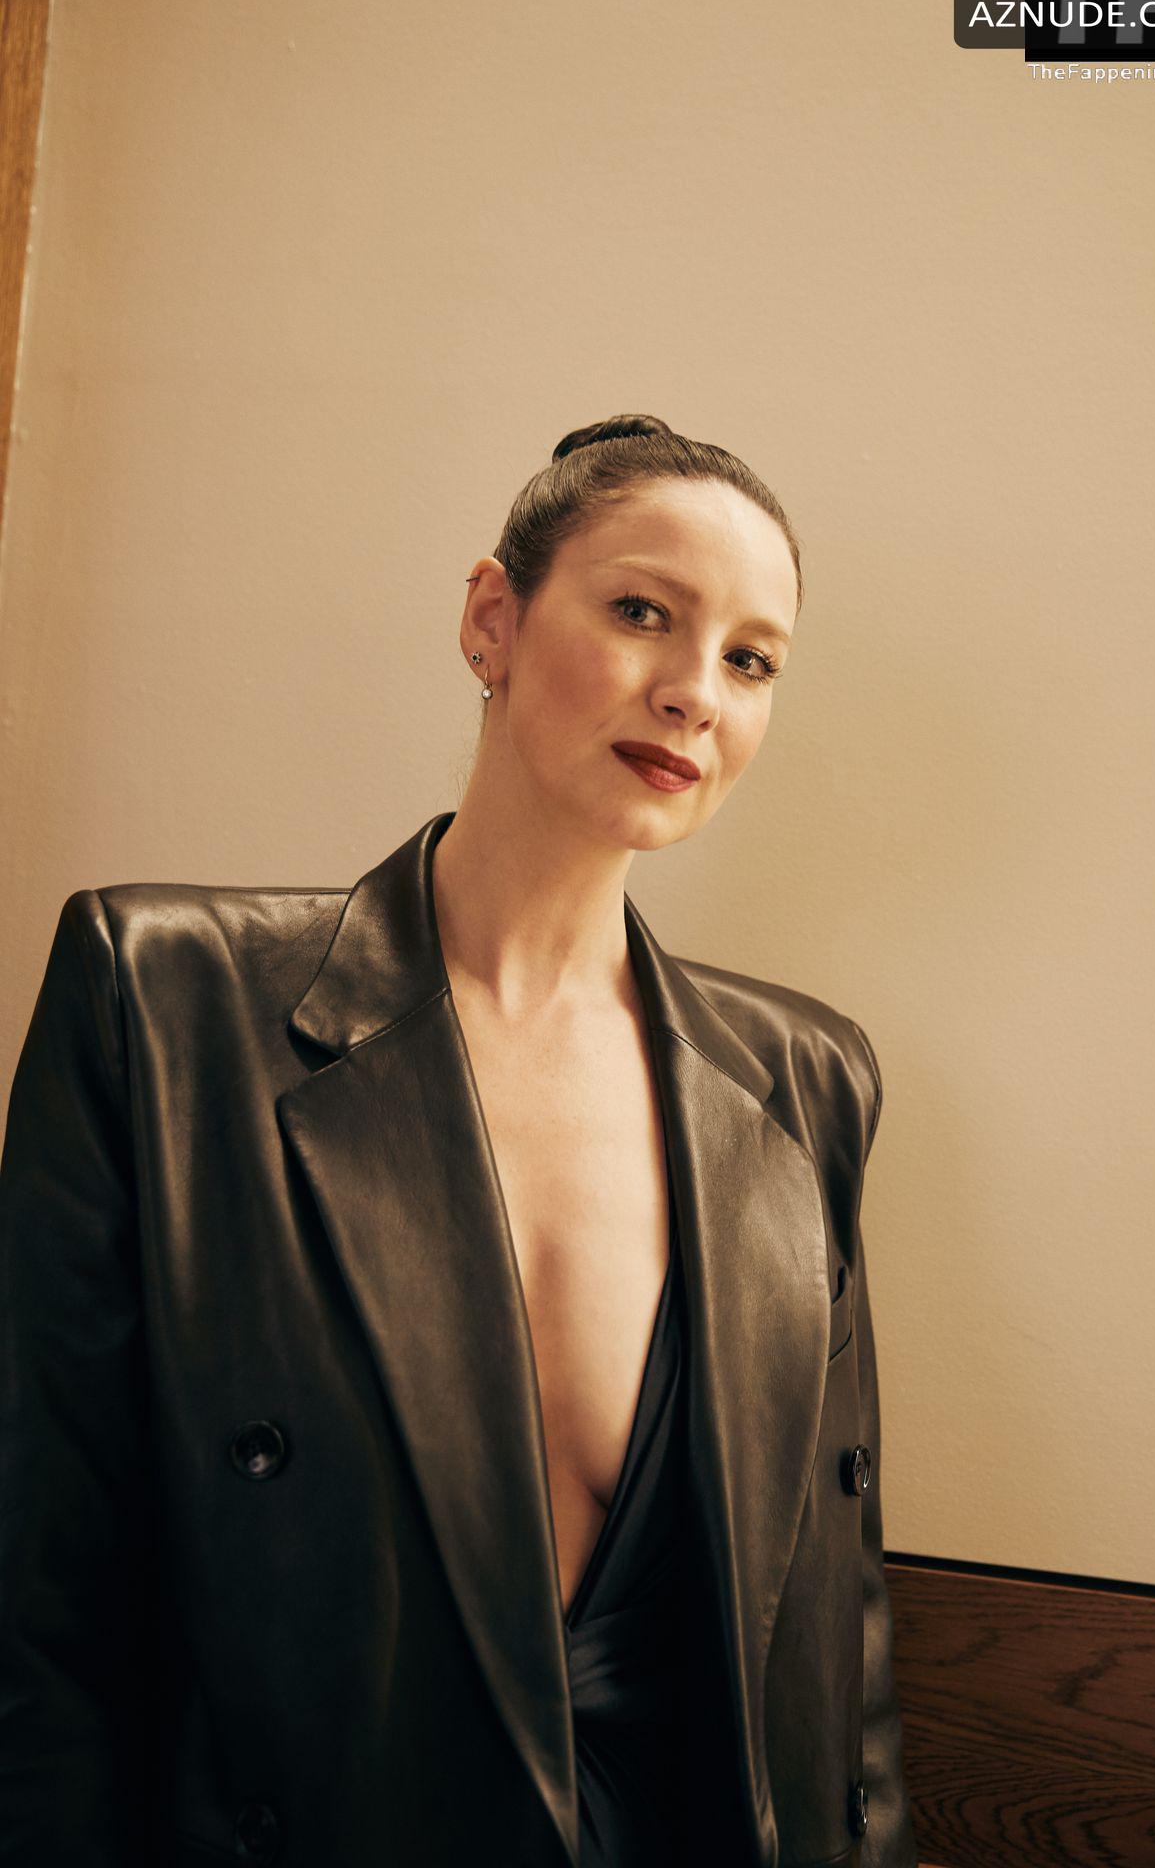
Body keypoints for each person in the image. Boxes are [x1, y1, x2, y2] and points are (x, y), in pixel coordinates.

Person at [0, 414, 918, 1867]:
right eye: (642, 612)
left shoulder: (803, 1080)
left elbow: (840, 1634)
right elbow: (40, 1585)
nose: (695, 694)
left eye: (752, 662)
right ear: (493, 618)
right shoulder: (163, 999)